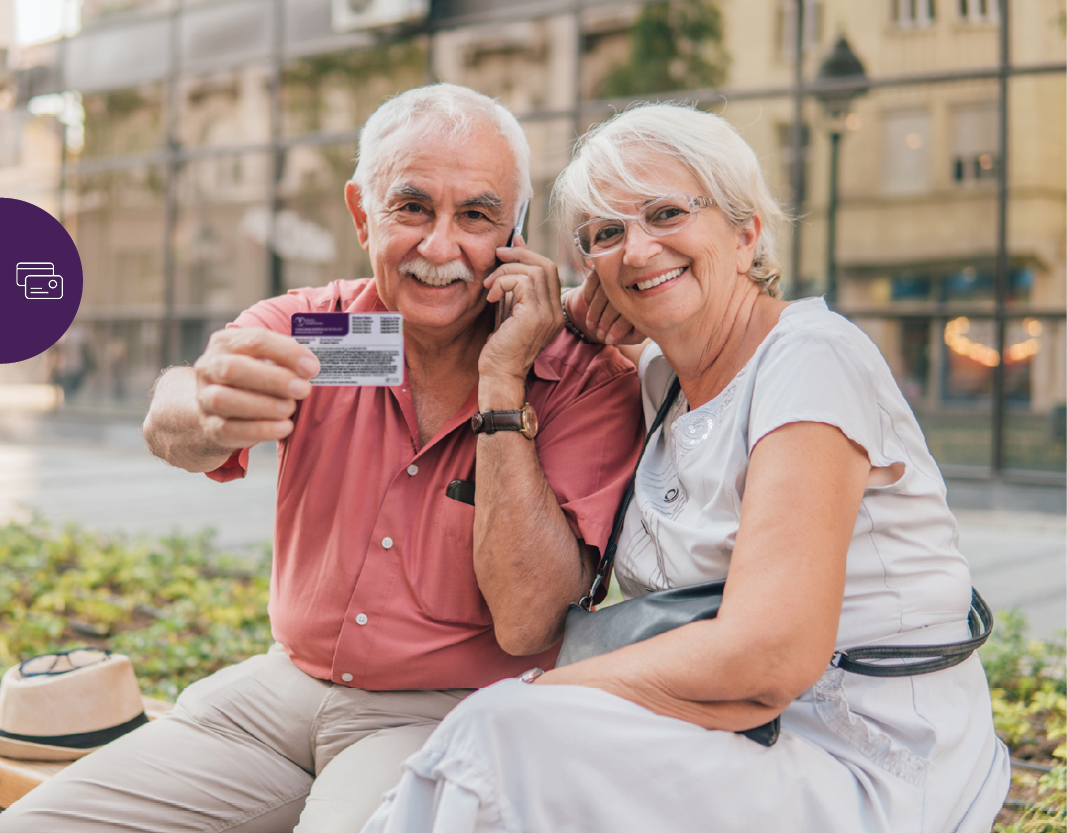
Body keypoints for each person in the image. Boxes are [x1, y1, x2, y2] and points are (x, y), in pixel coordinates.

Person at [0, 84, 642, 833]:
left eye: (475, 215)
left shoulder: (580, 373)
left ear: (516, 230)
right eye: (410, 208)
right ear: (361, 212)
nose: (440, 248)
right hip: (279, 689)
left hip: (446, 711)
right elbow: (177, 405)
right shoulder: (338, 337)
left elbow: (530, 624)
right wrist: (209, 399)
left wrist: (502, 382)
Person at [359, 103, 1011, 833]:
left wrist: (551, 688)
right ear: (363, 217)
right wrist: (548, 331)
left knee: (500, 730)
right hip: (304, 688)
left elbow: (766, 656)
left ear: (745, 232)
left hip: (858, 761)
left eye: (665, 213)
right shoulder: (346, 339)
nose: (635, 251)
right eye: (605, 233)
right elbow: (345, 351)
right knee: (494, 743)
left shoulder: (810, 359)